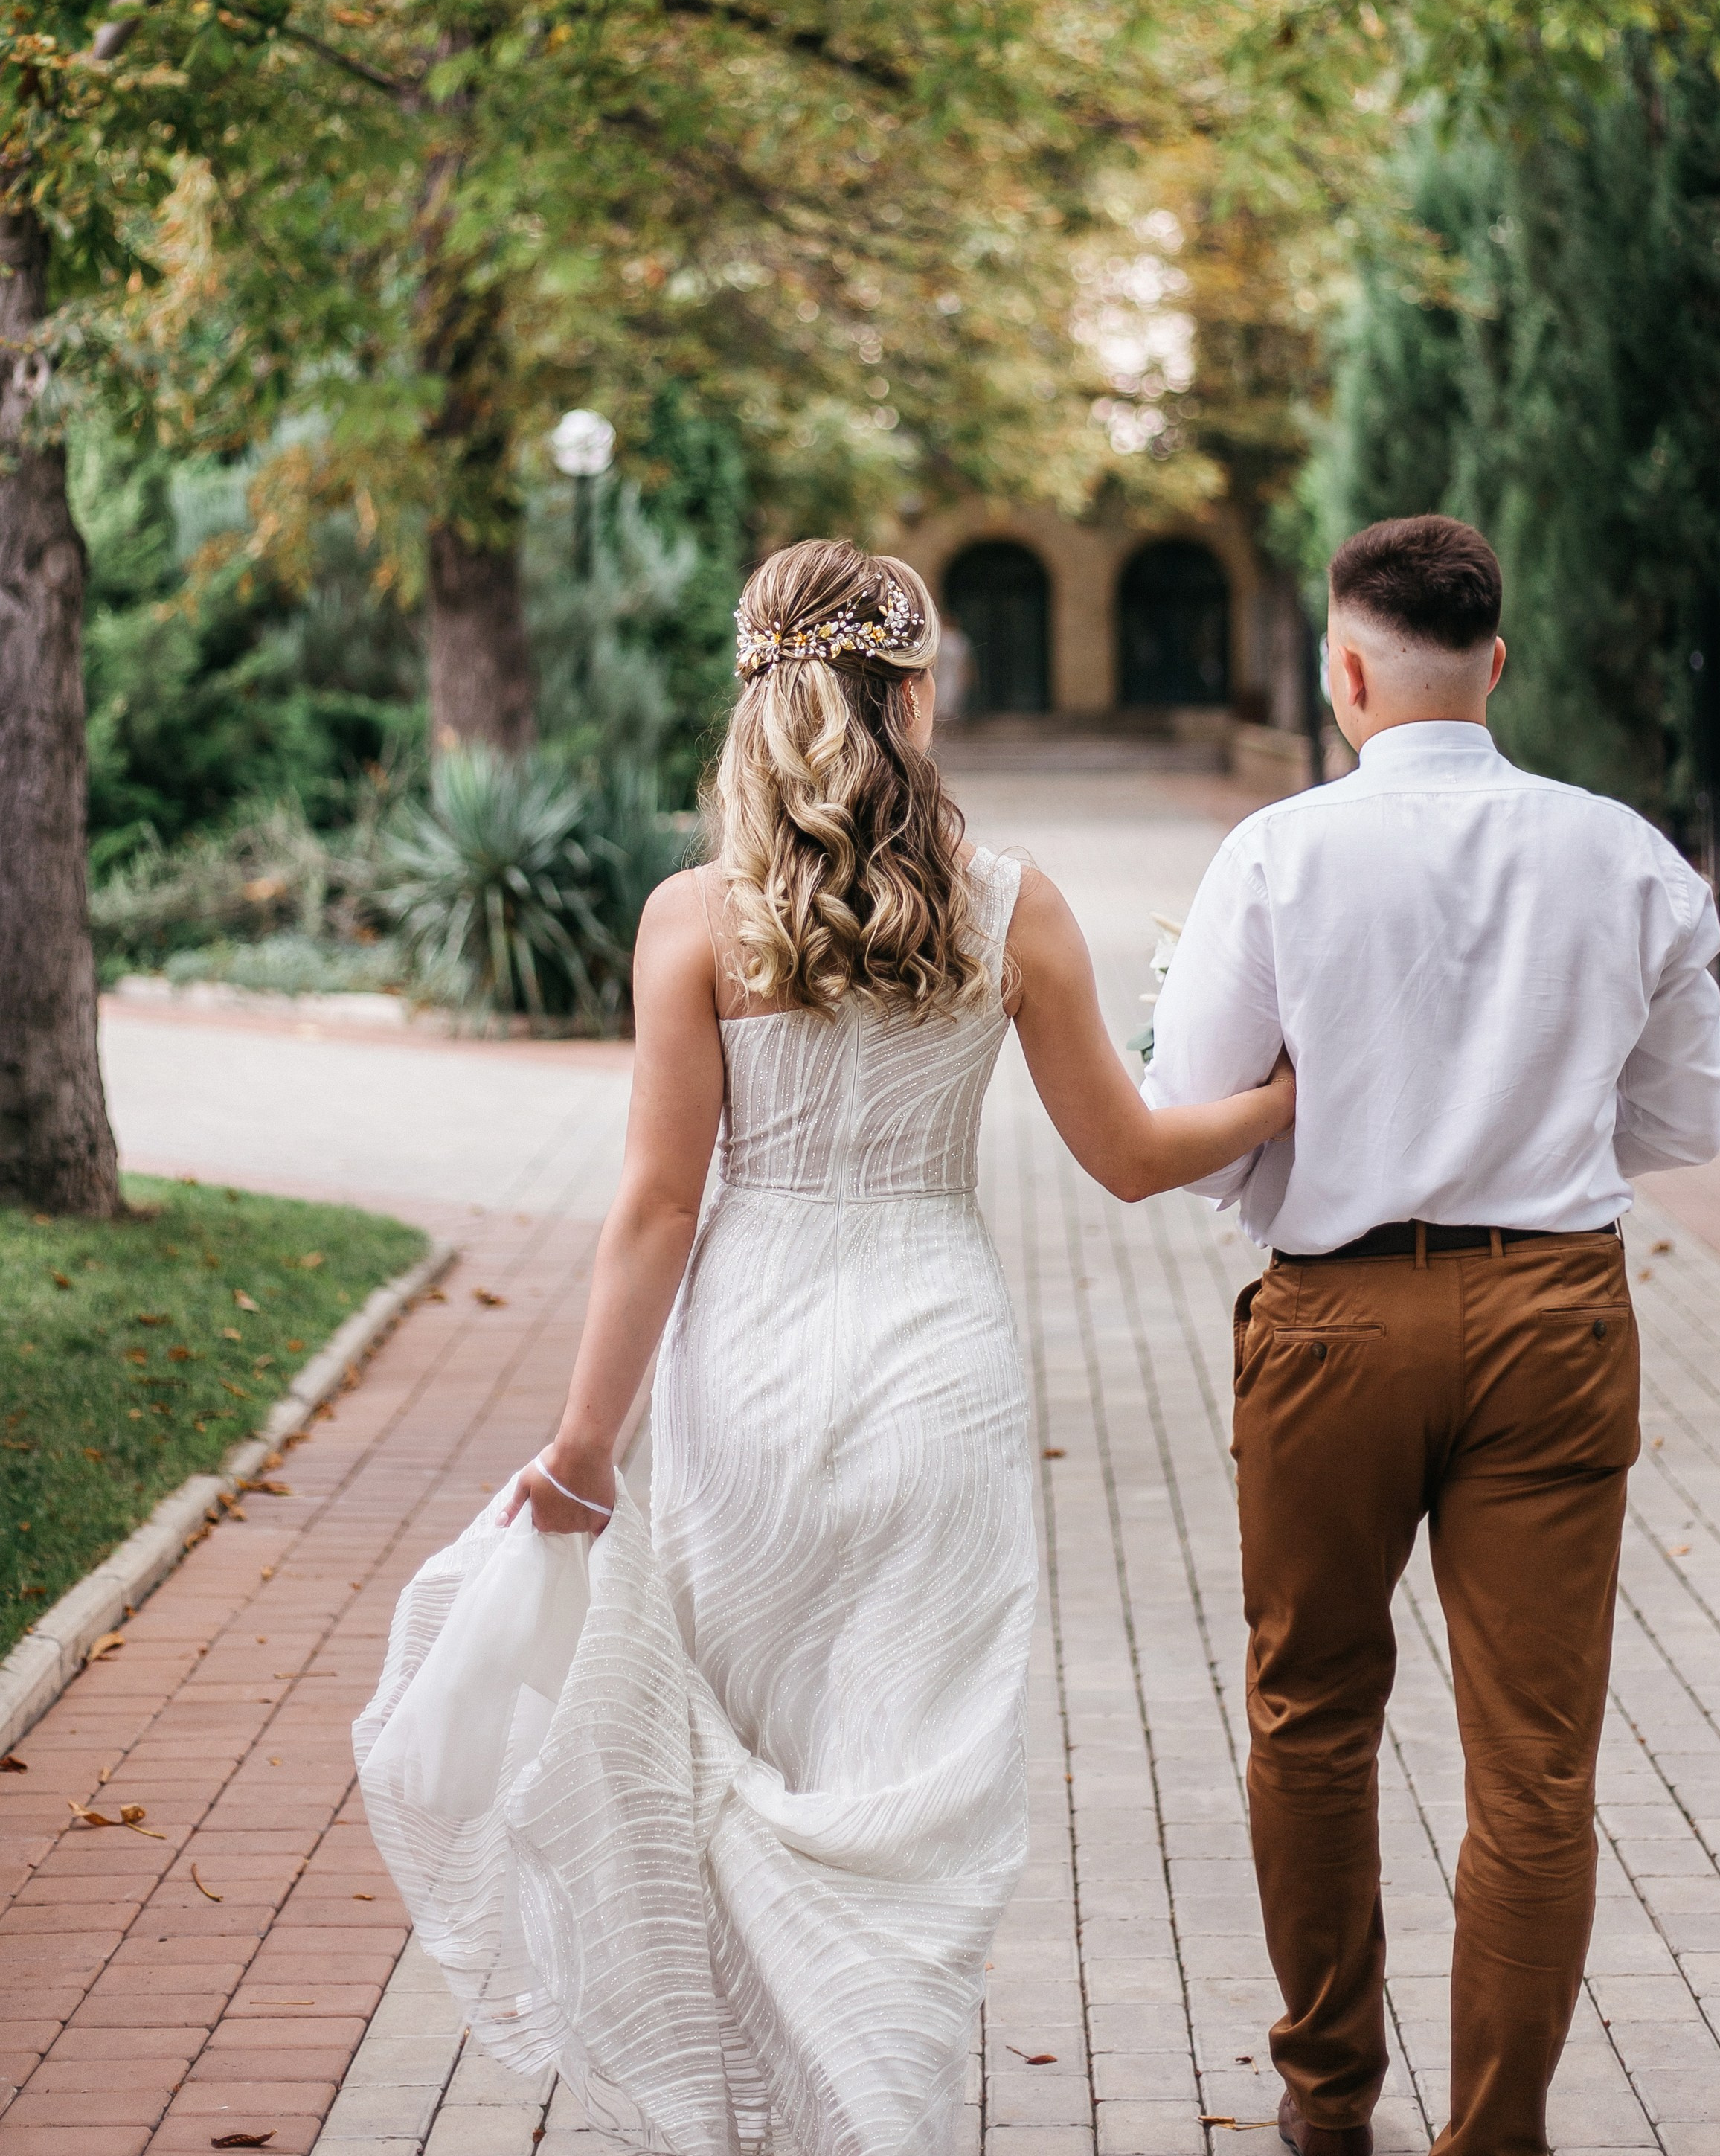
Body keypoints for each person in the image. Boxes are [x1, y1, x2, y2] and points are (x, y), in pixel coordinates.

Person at [358, 538, 1293, 2156]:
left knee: (747, 1760)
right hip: (938, 1367)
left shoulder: (691, 918)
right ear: (912, 692)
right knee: (911, 1800)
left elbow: (655, 1206)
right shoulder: (1015, 903)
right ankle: (889, 2106)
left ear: (755, 700)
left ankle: (773, 2116)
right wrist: (1287, 1094)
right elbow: (1135, 1155)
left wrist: (586, 1449)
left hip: (751, 1373)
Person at [1143, 513, 1720, 2156]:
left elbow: (1195, 1106)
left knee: (1309, 1709)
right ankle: (1497, 2135)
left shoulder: (1274, 855)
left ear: (1343, 669)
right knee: (1535, 1760)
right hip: (1553, 1309)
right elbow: (1686, 1124)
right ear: (1497, 658)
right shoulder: (1621, 853)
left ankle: (1326, 2100)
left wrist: (1332, 1139)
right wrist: (1525, 1113)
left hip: (1332, 1316)